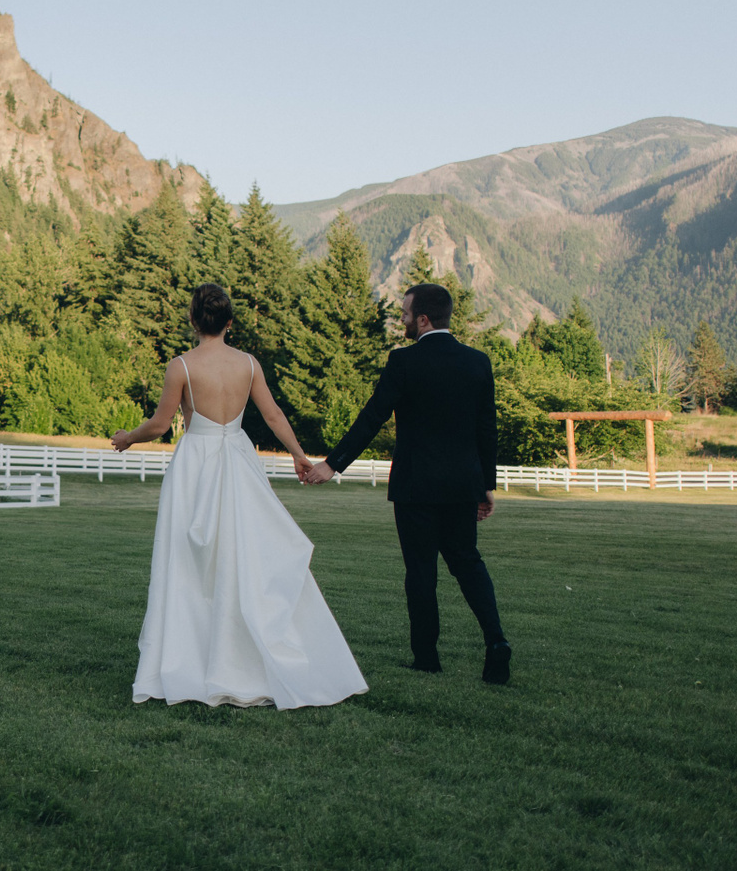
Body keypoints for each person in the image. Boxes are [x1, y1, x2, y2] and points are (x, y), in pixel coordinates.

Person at [115, 283, 368, 708]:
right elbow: (273, 414)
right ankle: (239, 653)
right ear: (229, 322)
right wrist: (299, 455)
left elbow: (159, 425)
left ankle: (193, 656)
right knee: (243, 555)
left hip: (195, 466)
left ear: (193, 320)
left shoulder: (181, 366)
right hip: (238, 460)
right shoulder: (248, 364)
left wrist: (127, 438)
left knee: (188, 561)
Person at [306, 282, 512, 685]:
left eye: (404, 314)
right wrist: (485, 486)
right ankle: (496, 641)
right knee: (468, 563)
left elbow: (373, 416)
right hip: (462, 485)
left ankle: (427, 658)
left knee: (420, 570)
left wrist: (333, 464)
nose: (401, 320)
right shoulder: (478, 362)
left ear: (423, 319)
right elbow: (487, 430)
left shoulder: (404, 361)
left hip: (416, 485)